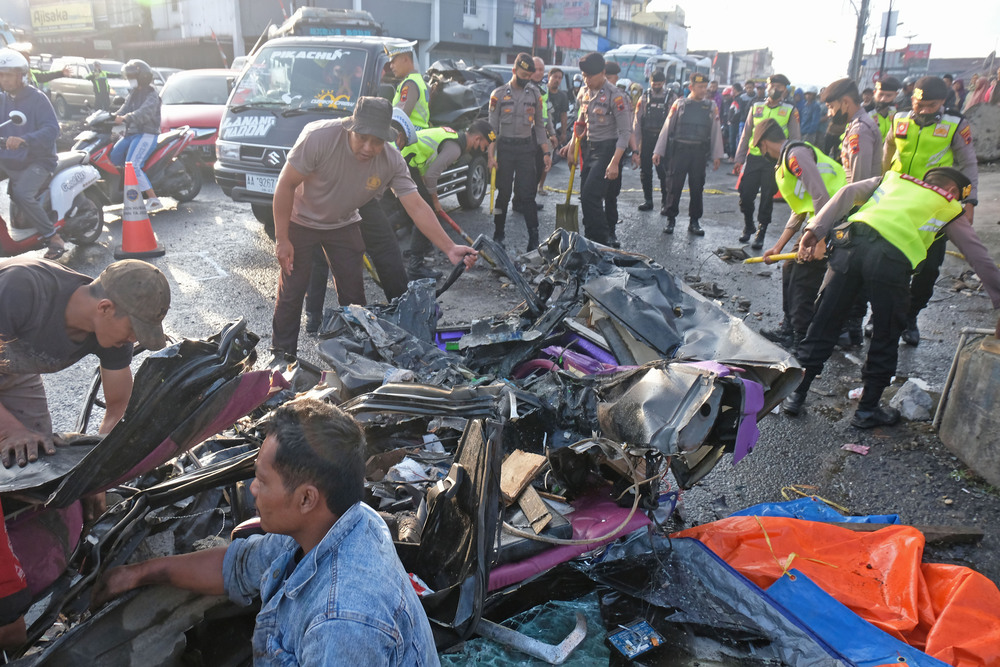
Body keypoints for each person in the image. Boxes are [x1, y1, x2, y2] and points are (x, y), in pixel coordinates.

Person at [94, 397, 439, 665]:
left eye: (261, 480)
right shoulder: (339, 520)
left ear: (306, 498)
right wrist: (136, 574)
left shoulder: (343, 625)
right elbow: (240, 565)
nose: (251, 490)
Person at [0, 257, 171, 647]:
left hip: (13, 366)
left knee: (34, 471)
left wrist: (98, 472)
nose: (133, 341)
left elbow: (117, 407)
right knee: (14, 443)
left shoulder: (108, 331)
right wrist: (10, 429)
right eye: (133, 331)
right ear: (105, 308)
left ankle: (18, 558)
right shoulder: (21, 287)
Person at [782, 168, 1000, 427]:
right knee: (886, 332)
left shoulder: (893, 178)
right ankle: (866, 411)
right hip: (890, 262)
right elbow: (977, 254)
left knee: (824, 321)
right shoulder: (949, 204)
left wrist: (814, 229)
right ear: (953, 191)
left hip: (850, 245)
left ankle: (796, 394)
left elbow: (847, 192)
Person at [270, 97, 476, 359]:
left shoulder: (391, 159)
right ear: (351, 128)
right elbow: (285, 184)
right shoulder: (319, 137)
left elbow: (416, 205)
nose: (368, 147)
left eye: (377, 141)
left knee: (354, 295)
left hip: (343, 222)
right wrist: (282, 238)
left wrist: (449, 247)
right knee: (293, 289)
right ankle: (281, 356)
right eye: (362, 137)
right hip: (300, 219)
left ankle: (355, 355)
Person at [883, 75, 979, 346]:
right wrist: (881, 181)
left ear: (943, 102)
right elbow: (889, 146)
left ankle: (910, 317)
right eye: (918, 103)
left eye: (930, 105)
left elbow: (969, 165)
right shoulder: (899, 119)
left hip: (935, 206)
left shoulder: (956, 125)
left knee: (927, 270)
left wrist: (969, 202)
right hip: (898, 202)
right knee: (891, 262)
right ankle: (883, 315)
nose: (923, 110)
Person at [753, 118, 846, 351]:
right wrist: (778, 247)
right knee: (790, 267)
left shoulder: (796, 155)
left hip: (835, 220)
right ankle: (789, 328)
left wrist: (820, 240)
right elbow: (800, 208)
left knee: (804, 274)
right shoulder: (789, 159)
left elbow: (822, 197)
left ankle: (800, 337)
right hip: (821, 221)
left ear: (764, 143)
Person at [403, 119, 494, 277]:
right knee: (425, 212)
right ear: (477, 139)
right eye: (484, 146)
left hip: (408, 163)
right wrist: (435, 201)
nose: (482, 150)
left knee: (409, 211)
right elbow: (432, 176)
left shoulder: (453, 137)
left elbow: (427, 168)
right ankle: (415, 266)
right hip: (404, 162)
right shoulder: (455, 149)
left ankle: (418, 254)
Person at [559, 52, 632, 246]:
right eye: (584, 76)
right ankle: (590, 240)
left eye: (590, 76)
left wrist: (615, 162)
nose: (586, 79)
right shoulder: (583, 93)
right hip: (587, 149)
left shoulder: (616, 96)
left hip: (607, 150)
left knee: (592, 195)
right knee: (586, 197)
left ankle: (602, 240)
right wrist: (572, 146)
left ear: (602, 73)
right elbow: (580, 123)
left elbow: (625, 132)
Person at [0, 48, 65, 259]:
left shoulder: (37, 98)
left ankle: (53, 237)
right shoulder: (3, 99)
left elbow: (52, 129)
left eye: (8, 74)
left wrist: (25, 139)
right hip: (10, 159)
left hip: (38, 160)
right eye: (1, 74)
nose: (4, 79)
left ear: (21, 75)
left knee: (22, 194)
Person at [487, 53, 550, 252]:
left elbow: (540, 127)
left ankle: (534, 236)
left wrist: (546, 153)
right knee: (503, 194)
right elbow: (492, 130)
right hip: (505, 149)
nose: (526, 79)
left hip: (525, 149)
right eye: (523, 74)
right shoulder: (497, 95)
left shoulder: (535, 94)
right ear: (514, 71)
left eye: (529, 76)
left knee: (527, 195)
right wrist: (490, 156)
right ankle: (498, 234)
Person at [733, 73, 801, 248]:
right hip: (754, 157)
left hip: (775, 161)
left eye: (779, 87)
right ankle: (749, 225)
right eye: (772, 85)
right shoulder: (756, 107)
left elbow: (795, 138)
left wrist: (792, 163)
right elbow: (746, 133)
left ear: (785, 90)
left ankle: (760, 233)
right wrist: (739, 158)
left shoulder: (790, 110)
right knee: (745, 194)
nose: (774, 89)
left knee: (766, 198)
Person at [652, 72, 724, 235]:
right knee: (674, 186)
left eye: (705, 87)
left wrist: (717, 155)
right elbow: (667, 127)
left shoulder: (711, 106)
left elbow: (715, 131)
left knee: (697, 187)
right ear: (691, 87)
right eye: (700, 87)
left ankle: (694, 222)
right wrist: (658, 151)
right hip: (679, 151)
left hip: (698, 152)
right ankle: (671, 220)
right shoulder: (680, 103)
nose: (703, 90)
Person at [111, 59, 163, 212]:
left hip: (147, 134)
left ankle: (153, 199)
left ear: (141, 77)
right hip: (131, 133)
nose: (129, 80)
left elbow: (144, 113)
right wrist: (110, 117)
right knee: (114, 157)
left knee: (133, 166)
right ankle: (129, 193)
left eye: (132, 77)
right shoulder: (133, 93)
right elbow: (123, 109)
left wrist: (126, 117)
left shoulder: (152, 95)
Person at [822, 77, 881, 183]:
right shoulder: (855, 124)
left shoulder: (859, 130)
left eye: (831, 107)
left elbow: (859, 183)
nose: (829, 113)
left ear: (845, 102)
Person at [634, 69, 671, 214]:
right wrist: (636, 147)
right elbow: (636, 123)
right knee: (645, 171)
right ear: (650, 82)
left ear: (664, 82)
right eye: (654, 82)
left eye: (659, 83)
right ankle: (648, 200)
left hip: (664, 140)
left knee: (663, 172)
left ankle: (665, 203)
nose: (656, 85)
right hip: (647, 138)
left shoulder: (671, 97)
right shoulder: (643, 98)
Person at [386, 41, 430, 130]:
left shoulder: (410, 83)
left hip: (409, 134)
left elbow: (401, 116)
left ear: (405, 59)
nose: (391, 66)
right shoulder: (417, 80)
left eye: (393, 61)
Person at [530, 56, 553, 206]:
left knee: (539, 167)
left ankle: (530, 199)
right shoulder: (526, 87)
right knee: (528, 170)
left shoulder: (543, 88)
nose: (538, 73)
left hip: (541, 133)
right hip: (528, 133)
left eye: (541, 70)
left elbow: (547, 112)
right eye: (536, 69)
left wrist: (552, 133)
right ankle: (522, 200)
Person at [869, 76, 901, 142]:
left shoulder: (897, 113)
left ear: (896, 95)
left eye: (888, 96)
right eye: (880, 94)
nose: (883, 99)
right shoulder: (864, 112)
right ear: (874, 93)